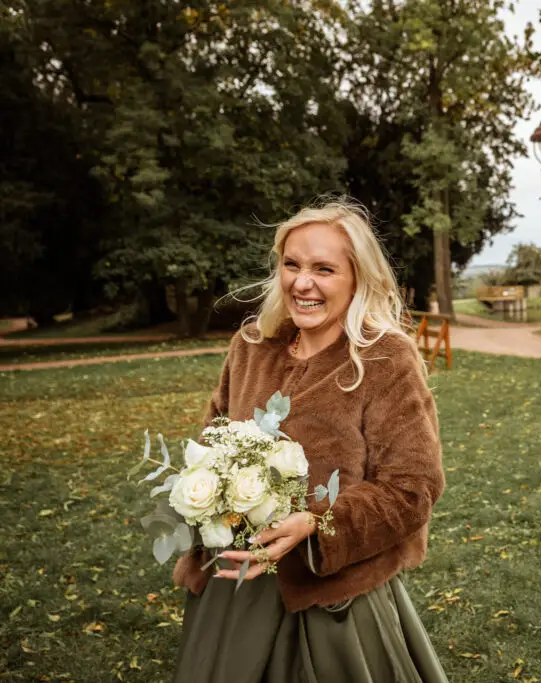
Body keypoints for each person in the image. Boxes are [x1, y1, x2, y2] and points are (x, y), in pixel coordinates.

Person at [171, 197, 449, 682]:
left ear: (358, 278)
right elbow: (213, 441)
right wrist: (209, 493)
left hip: (331, 598)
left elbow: (413, 488)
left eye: (324, 269)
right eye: (292, 265)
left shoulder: (384, 359)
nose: (302, 283)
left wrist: (318, 526)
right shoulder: (252, 346)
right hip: (234, 584)